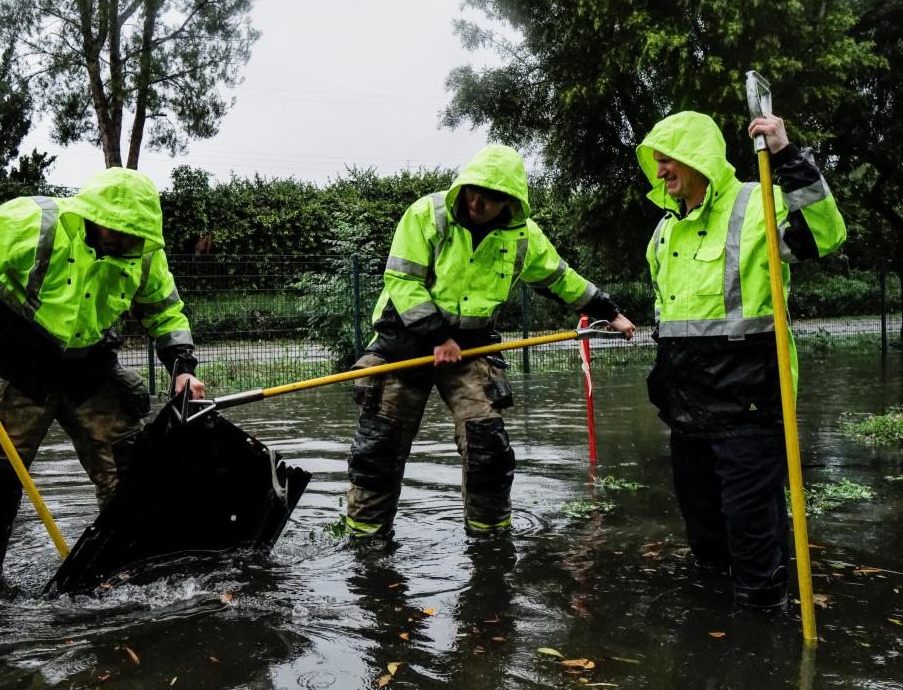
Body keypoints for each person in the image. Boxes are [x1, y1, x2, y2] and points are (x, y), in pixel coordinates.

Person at [0, 167, 205, 593]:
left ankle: (131, 573)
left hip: (89, 368)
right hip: (11, 361)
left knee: (133, 476)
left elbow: (164, 310)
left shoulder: (146, 251)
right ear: (93, 216)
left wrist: (182, 366)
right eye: (117, 232)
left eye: (134, 235)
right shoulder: (34, 221)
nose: (125, 242)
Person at [344, 144, 636, 537]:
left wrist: (610, 311)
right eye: (473, 191)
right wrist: (439, 336)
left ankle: (490, 540)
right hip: (404, 342)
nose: (479, 203)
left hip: (473, 347)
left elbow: (560, 279)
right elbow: (402, 281)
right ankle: (365, 540)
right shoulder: (426, 215)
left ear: (511, 202)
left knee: (489, 447)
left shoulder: (523, 237)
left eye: (492, 197)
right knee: (378, 447)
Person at [636, 110, 846, 609]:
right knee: (704, 530)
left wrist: (787, 155)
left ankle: (761, 619)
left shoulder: (758, 202)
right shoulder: (665, 232)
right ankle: (713, 632)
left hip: (751, 399)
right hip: (689, 404)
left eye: (669, 161)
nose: (660, 172)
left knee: (752, 528)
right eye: (657, 163)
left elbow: (824, 235)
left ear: (698, 158)